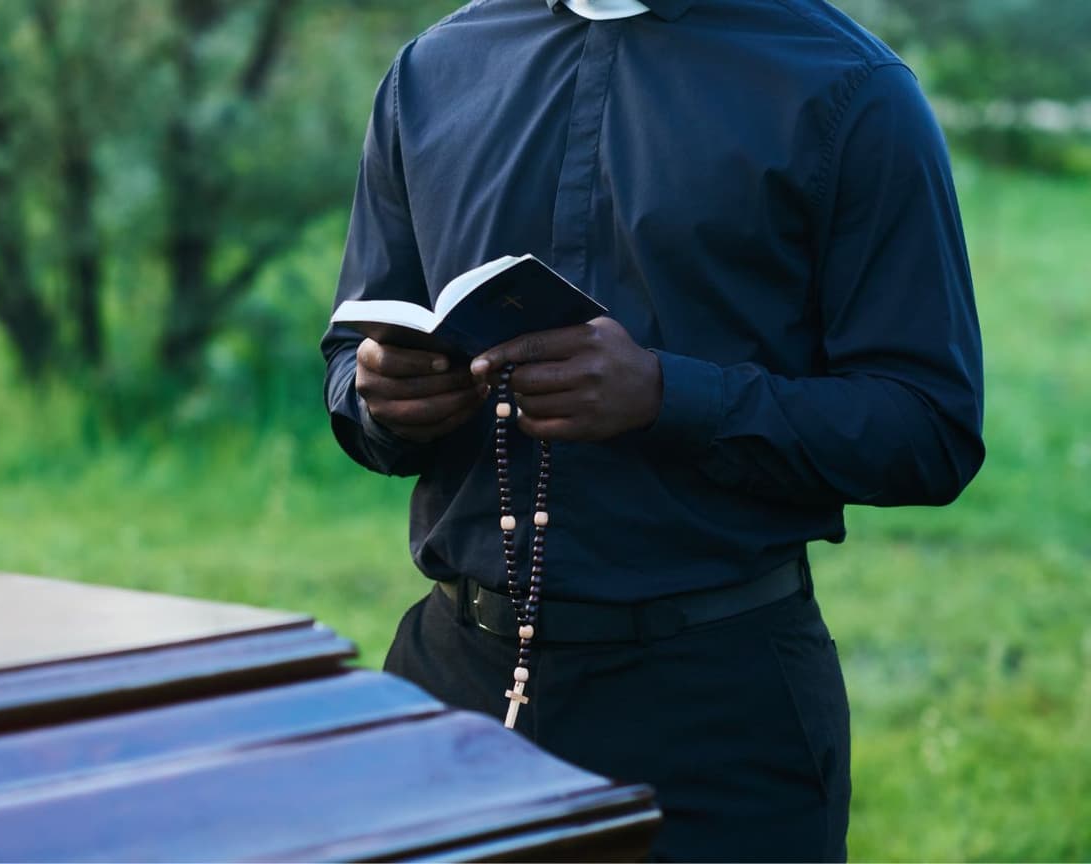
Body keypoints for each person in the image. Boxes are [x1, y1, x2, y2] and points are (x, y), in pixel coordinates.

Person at [321, 0, 985, 859]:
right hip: (446, 691)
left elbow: (929, 426)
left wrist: (668, 397)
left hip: (717, 720)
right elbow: (353, 355)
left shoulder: (850, 89)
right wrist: (378, 397)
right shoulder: (432, 71)